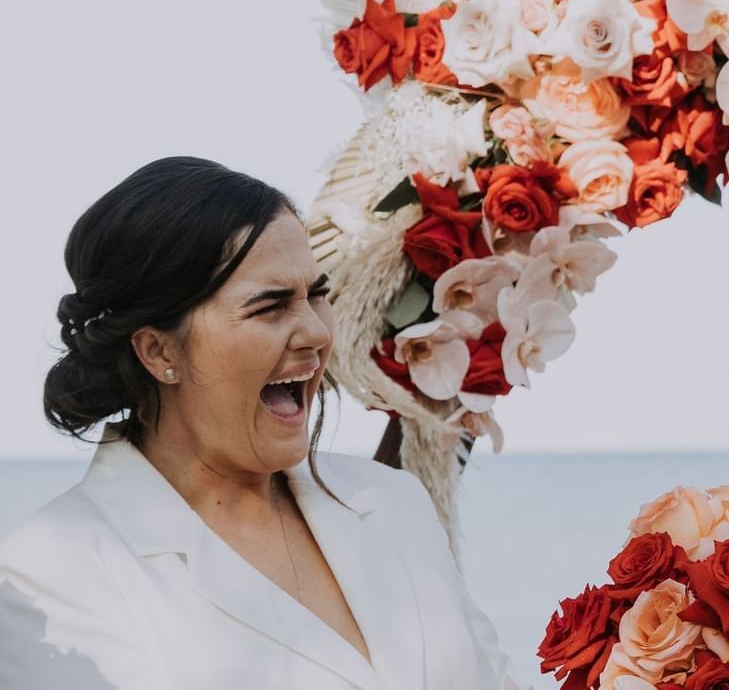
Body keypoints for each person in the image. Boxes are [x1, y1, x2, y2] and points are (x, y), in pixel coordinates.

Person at [0, 157, 521, 689]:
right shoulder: (49, 576)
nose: (316, 332)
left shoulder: (394, 503)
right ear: (158, 351)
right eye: (270, 307)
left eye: (316, 295)